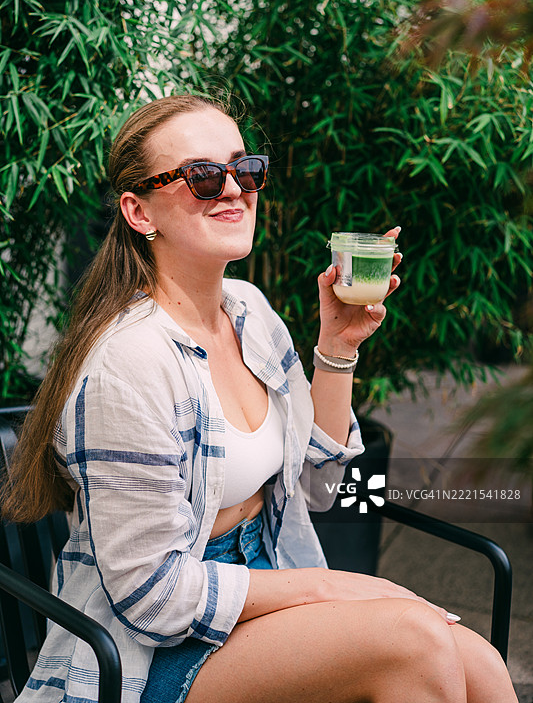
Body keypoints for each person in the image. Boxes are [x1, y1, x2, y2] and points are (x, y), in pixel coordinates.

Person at [2, 94, 517, 703]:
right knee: (416, 644)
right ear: (139, 212)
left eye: (244, 169)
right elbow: (150, 596)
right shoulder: (130, 362)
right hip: (146, 649)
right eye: (201, 176)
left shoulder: (249, 312)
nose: (232, 189)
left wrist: (337, 346)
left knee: (478, 661)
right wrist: (330, 589)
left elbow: (321, 486)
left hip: (262, 581)